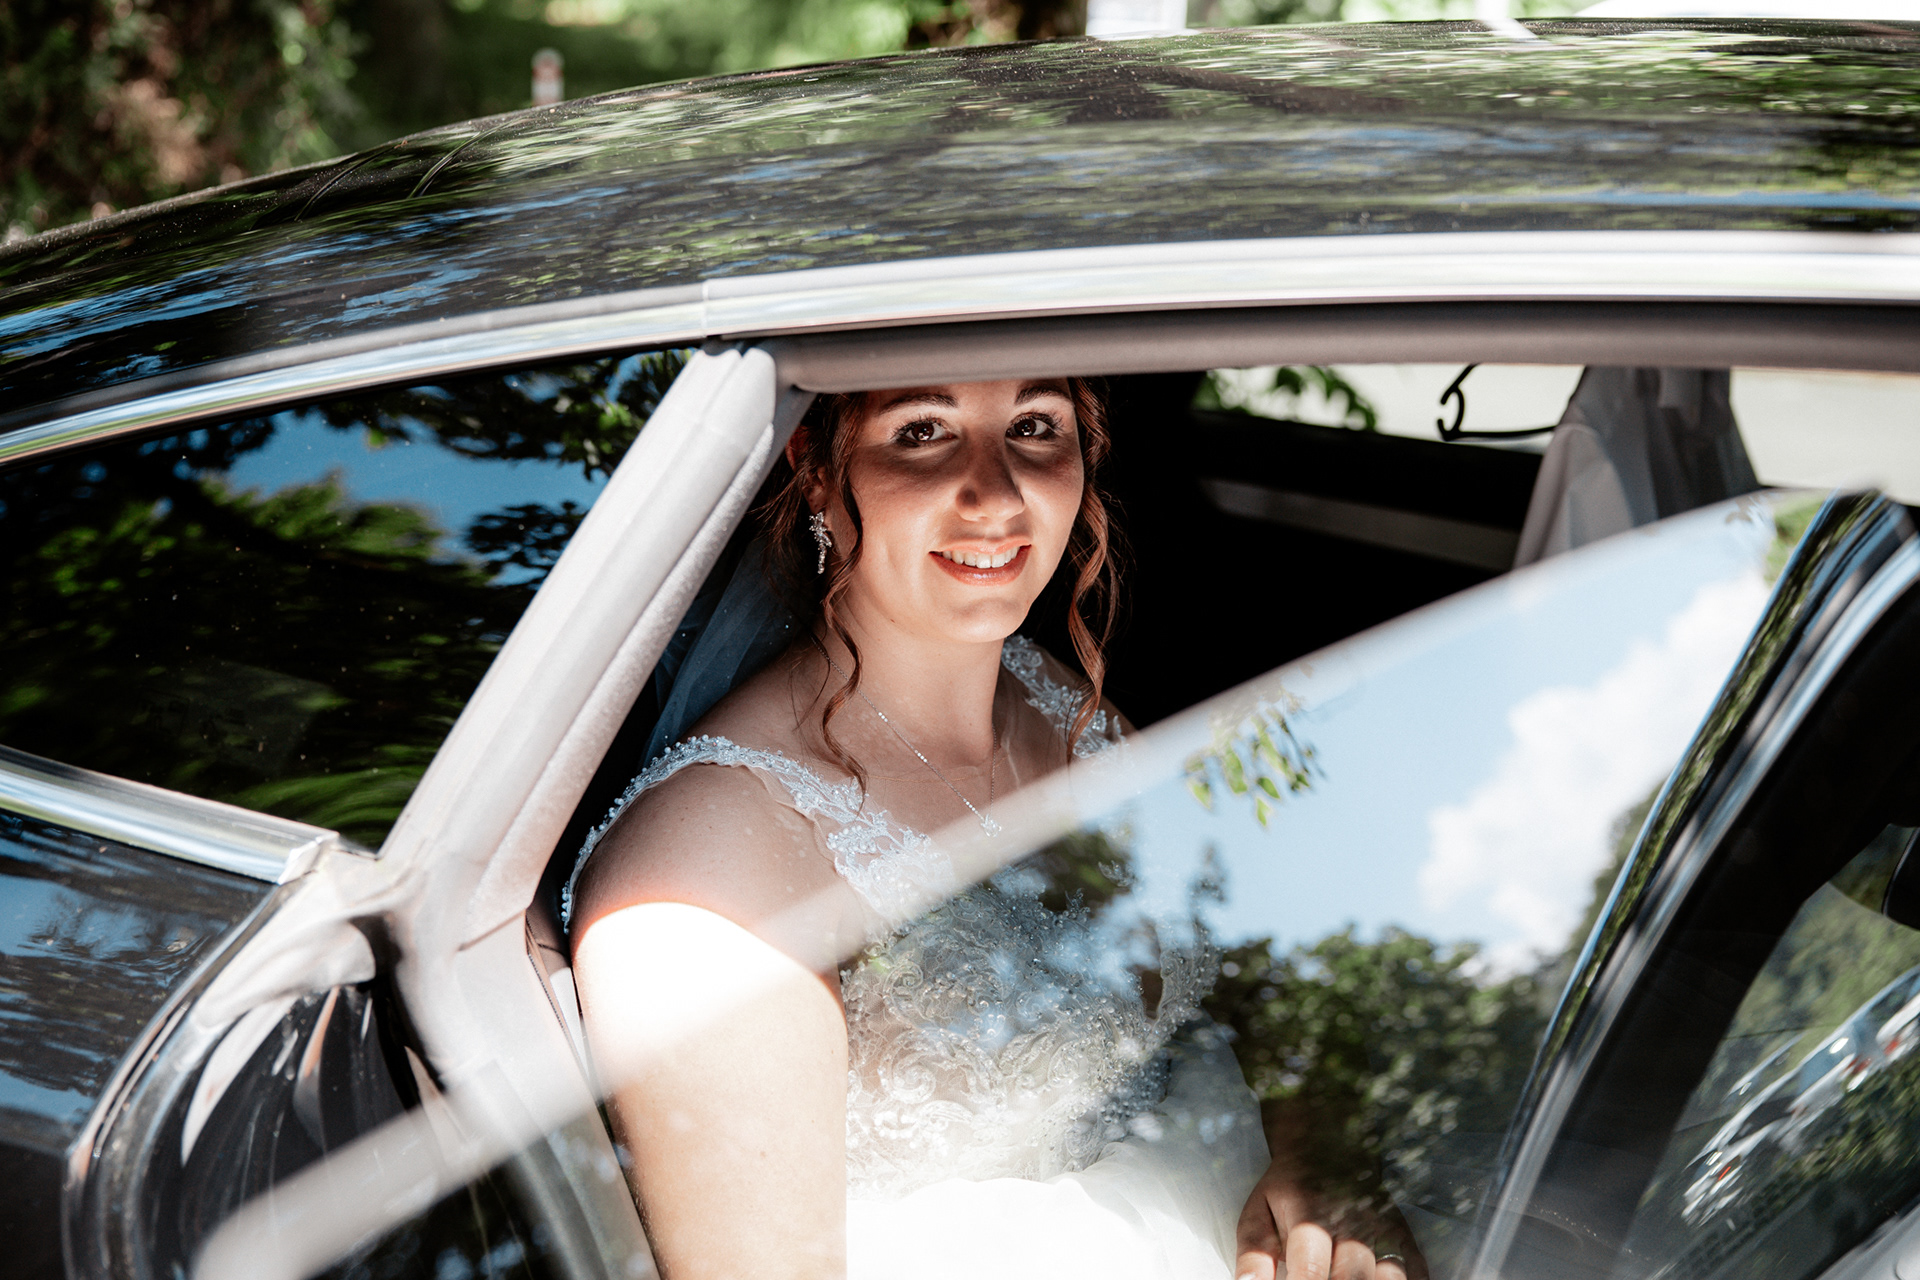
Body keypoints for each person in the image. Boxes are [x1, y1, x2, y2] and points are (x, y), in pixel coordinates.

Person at [566, 378, 1411, 1280]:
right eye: (923, 431)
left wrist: (1310, 1147)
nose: (1000, 493)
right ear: (814, 470)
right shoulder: (712, 864)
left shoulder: (1052, 699)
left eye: (1034, 427)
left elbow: (1251, 972)